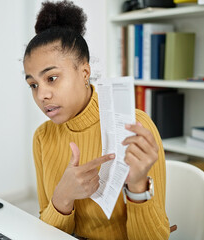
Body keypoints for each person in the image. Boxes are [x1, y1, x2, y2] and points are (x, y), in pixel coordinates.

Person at [23, 1, 170, 239]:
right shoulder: (43, 137)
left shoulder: (135, 126)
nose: (42, 95)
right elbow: (46, 234)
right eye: (33, 85)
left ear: (84, 72)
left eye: (51, 78)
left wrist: (138, 186)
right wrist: (62, 197)